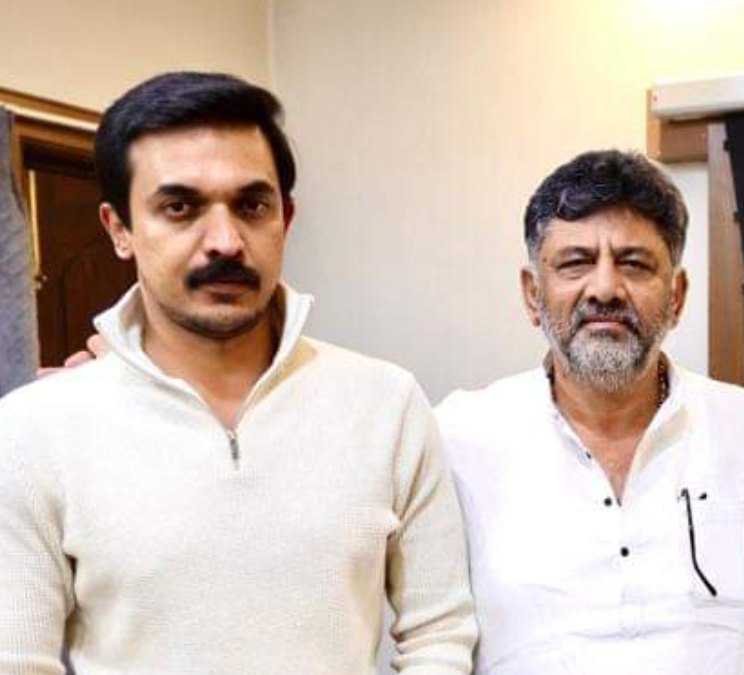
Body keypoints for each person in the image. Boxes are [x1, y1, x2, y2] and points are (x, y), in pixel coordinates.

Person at [0, 72, 476, 674]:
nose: (225, 241)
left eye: (252, 206)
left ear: (286, 219)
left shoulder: (387, 403)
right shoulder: (34, 429)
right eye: (180, 207)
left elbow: (440, 633)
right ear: (119, 229)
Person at [435, 149, 744, 674]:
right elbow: (427, 626)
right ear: (532, 294)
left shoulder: (743, 426)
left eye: (634, 264)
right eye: (575, 263)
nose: (604, 289)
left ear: (677, 296)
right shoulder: (461, 435)